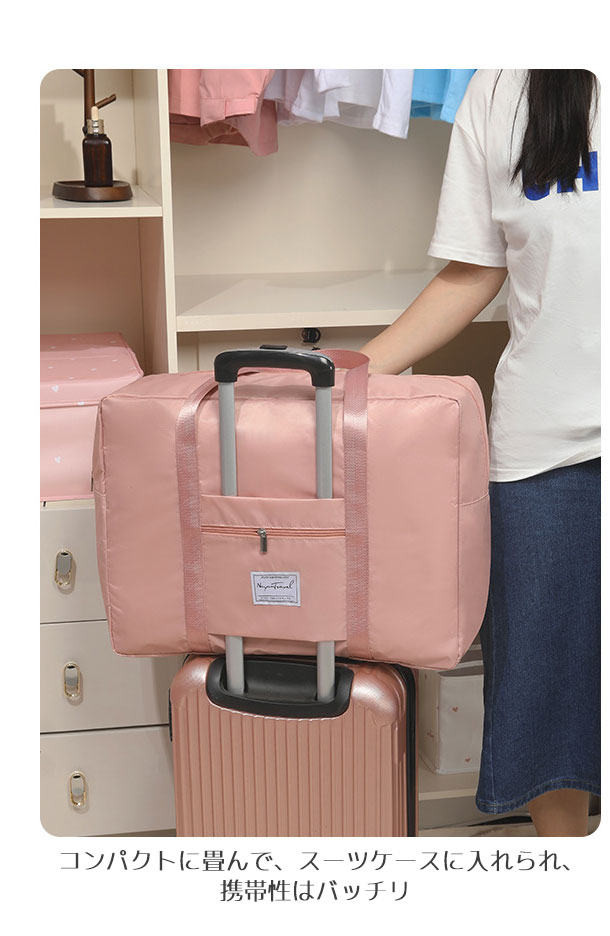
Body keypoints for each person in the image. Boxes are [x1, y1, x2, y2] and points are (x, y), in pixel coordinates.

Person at [361, 69, 600, 836]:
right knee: (550, 709)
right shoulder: (502, 87)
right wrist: (350, 373)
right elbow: (475, 267)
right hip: (546, 457)